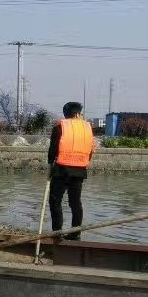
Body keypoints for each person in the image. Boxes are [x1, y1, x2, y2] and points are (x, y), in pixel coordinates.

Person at [48, 102, 94, 240]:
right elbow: (90, 151)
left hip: (61, 169)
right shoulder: (87, 128)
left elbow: (53, 149)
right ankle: (76, 234)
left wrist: (50, 163)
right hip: (79, 170)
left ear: (66, 114)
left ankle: (57, 233)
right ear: (77, 113)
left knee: (55, 201)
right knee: (75, 202)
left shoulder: (60, 127)